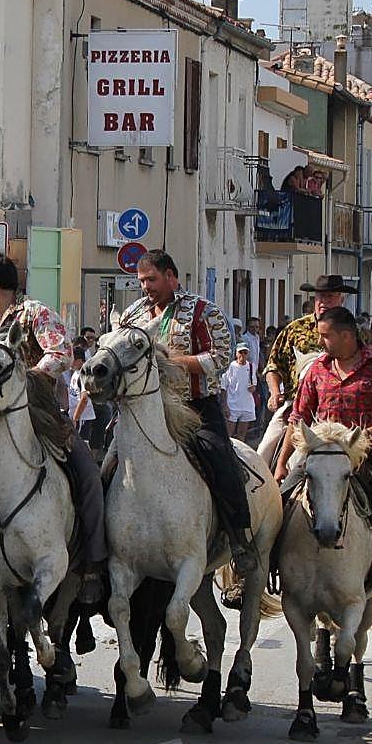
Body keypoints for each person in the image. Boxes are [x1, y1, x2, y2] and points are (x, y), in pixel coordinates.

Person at [0, 251, 107, 601]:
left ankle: (93, 563)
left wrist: (21, 378)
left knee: (88, 474)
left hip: (38, 411)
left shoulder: (36, 312)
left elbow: (60, 353)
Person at [119, 250, 256, 599]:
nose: (146, 287)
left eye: (152, 279)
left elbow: (221, 357)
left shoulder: (202, 311)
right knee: (110, 464)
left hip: (194, 407)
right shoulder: (133, 315)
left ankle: (238, 538)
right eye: (142, 281)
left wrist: (171, 363)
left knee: (219, 456)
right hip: (145, 410)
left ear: (171, 276)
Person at [274, 306, 372, 633]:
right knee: (278, 508)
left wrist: (364, 436)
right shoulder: (317, 370)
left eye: (326, 336)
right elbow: (298, 418)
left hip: (365, 459)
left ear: (346, 335)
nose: (321, 341)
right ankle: (262, 577)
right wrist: (282, 464)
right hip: (319, 456)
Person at [259, 275, 354, 464]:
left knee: (367, 457)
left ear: (341, 299)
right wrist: (275, 392)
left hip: (340, 407)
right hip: (295, 404)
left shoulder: (352, 332)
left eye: (330, 296)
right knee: (263, 453)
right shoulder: (294, 330)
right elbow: (274, 365)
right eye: (320, 296)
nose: (324, 301)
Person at [222, 344, 257, 442]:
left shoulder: (251, 366)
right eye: (240, 352)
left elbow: (254, 384)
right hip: (232, 405)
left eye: (245, 352)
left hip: (247, 405)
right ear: (236, 353)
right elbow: (223, 387)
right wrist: (225, 405)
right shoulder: (230, 366)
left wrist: (253, 388)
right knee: (229, 435)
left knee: (241, 436)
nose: (243, 355)